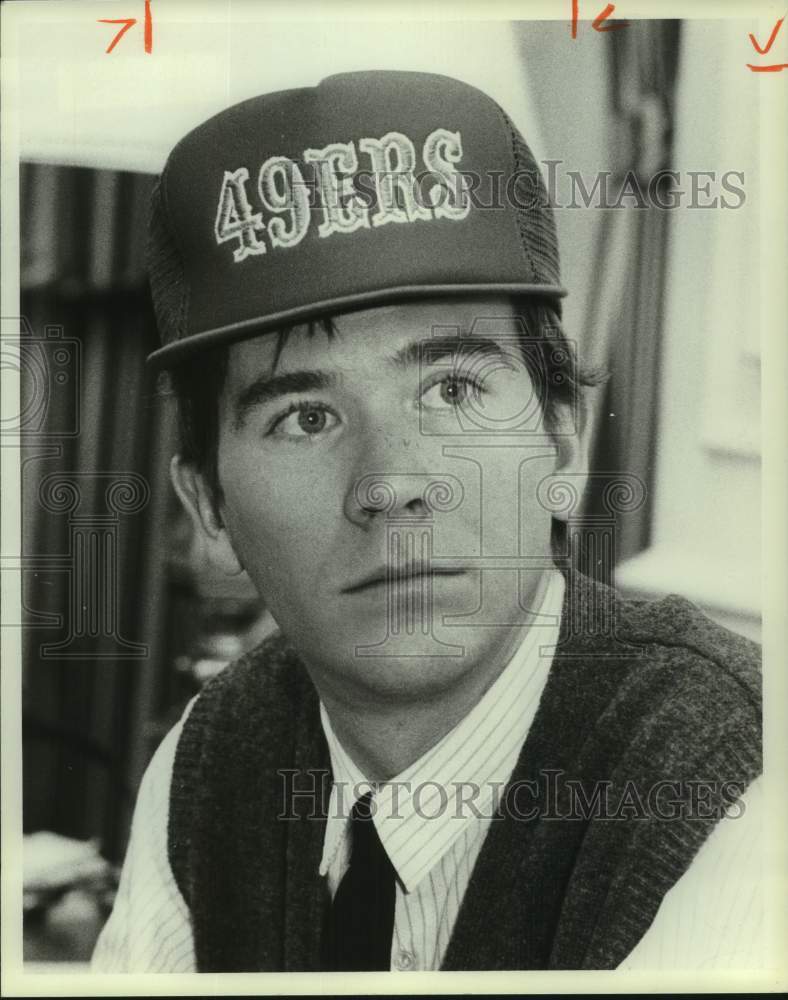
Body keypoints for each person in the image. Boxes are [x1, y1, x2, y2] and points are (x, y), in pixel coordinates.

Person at [91, 70, 762, 973]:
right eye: (305, 416)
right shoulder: (209, 760)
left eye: (451, 389)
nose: (394, 483)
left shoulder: (736, 784)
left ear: (562, 437)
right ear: (209, 506)